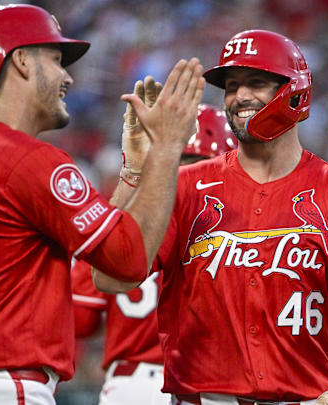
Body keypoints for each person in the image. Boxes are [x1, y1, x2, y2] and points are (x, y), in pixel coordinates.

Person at [0, 4, 204, 405]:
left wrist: (134, 171)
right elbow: (127, 263)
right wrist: (167, 147)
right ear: (21, 61)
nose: (67, 76)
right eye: (57, 60)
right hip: (6, 388)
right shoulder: (29, 159)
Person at [93, 30, 328, 405]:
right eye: (231, 85)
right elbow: (110, 275)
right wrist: (136, 173)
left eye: (256, 82)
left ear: (295, 90)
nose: (240, 96)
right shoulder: (184, 187)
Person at [71, 103, 237, 405]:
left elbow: (81, 319)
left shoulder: (123, 220)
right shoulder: (234, 229)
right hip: (203, 383)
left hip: (129, 385)